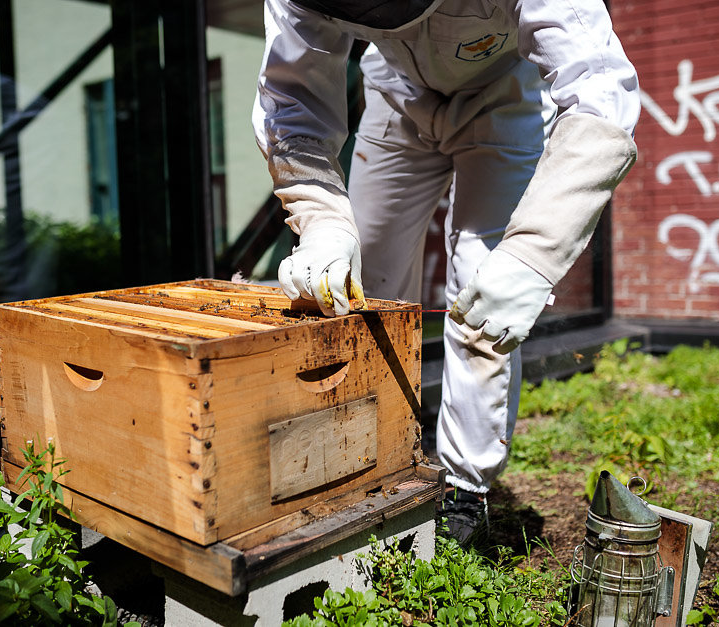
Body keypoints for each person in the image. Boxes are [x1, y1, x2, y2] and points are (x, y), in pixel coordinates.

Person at [253, 0, 640, 542]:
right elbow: (290, 99)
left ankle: (466, 490)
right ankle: (368, 461)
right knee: (364, 290)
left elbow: (599, 91)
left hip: (501, 97)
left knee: (483, 299)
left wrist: (534, 255)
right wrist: (322, 221)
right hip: (394, 97)